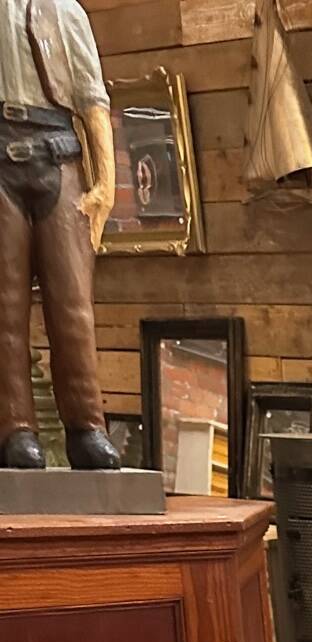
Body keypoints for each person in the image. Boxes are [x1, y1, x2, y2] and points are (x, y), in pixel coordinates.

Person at [0, 0, 121, 470]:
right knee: (6, 306)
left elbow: (93, 100)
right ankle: (15, 429)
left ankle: (87, 426)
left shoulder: (66, 12)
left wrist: (105, 185)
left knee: (72, 303)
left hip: (58, 158)